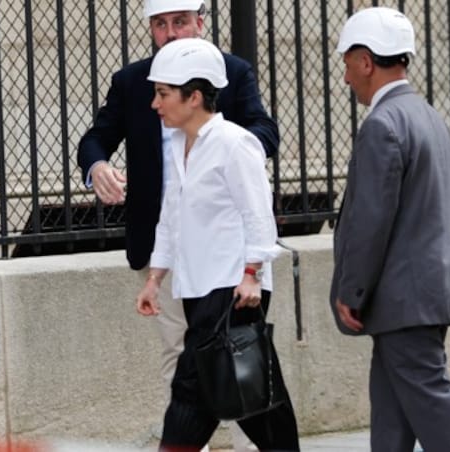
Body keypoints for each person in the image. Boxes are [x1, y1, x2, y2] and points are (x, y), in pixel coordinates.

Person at [76, 1, 275, 449]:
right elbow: (96, 139)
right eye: (160, 25)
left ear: (200, 23)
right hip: (168, 247)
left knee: (238, 360)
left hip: (227, 258)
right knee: (182, 361)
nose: (170, 33)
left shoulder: (232, 79)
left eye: (180, 22)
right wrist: (99, 166)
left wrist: (227, 155)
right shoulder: (134, 82)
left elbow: (264, 139)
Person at [329, 7, 450, 452]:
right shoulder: (426, 115)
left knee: (434, 406)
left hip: (404, 299)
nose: (345, 78)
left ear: (365, 61)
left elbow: (370, 222)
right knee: (392, 416)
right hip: (423, 293)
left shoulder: (382, 125)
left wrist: (351, 290)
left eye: (346, 64)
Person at [134, 37, 300, 452]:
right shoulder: (175, 145)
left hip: (232, 287)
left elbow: (257, 213)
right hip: (196, 286)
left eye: (163, 94)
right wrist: (156, 277)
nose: (156, 104)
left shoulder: (234, 142)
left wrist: (251, 274)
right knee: (247, 392)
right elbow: (171, 216)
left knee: (194, 388)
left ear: (194, 97)